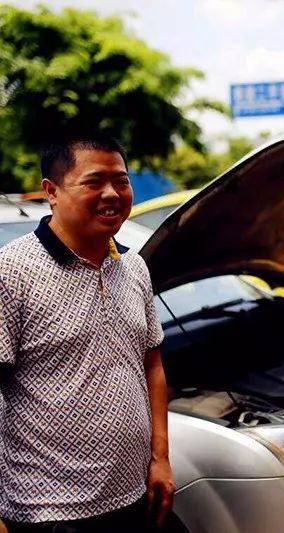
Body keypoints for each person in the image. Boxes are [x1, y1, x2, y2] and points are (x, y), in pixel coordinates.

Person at [0, 136, 174, 532]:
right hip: (46, 509)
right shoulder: (12, 271)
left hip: (133, 496)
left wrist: (160, 458)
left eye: (121, 180)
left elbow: (152, 364)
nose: (112, 194)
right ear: (51, 191)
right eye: (94, 182)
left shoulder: (134, 267)